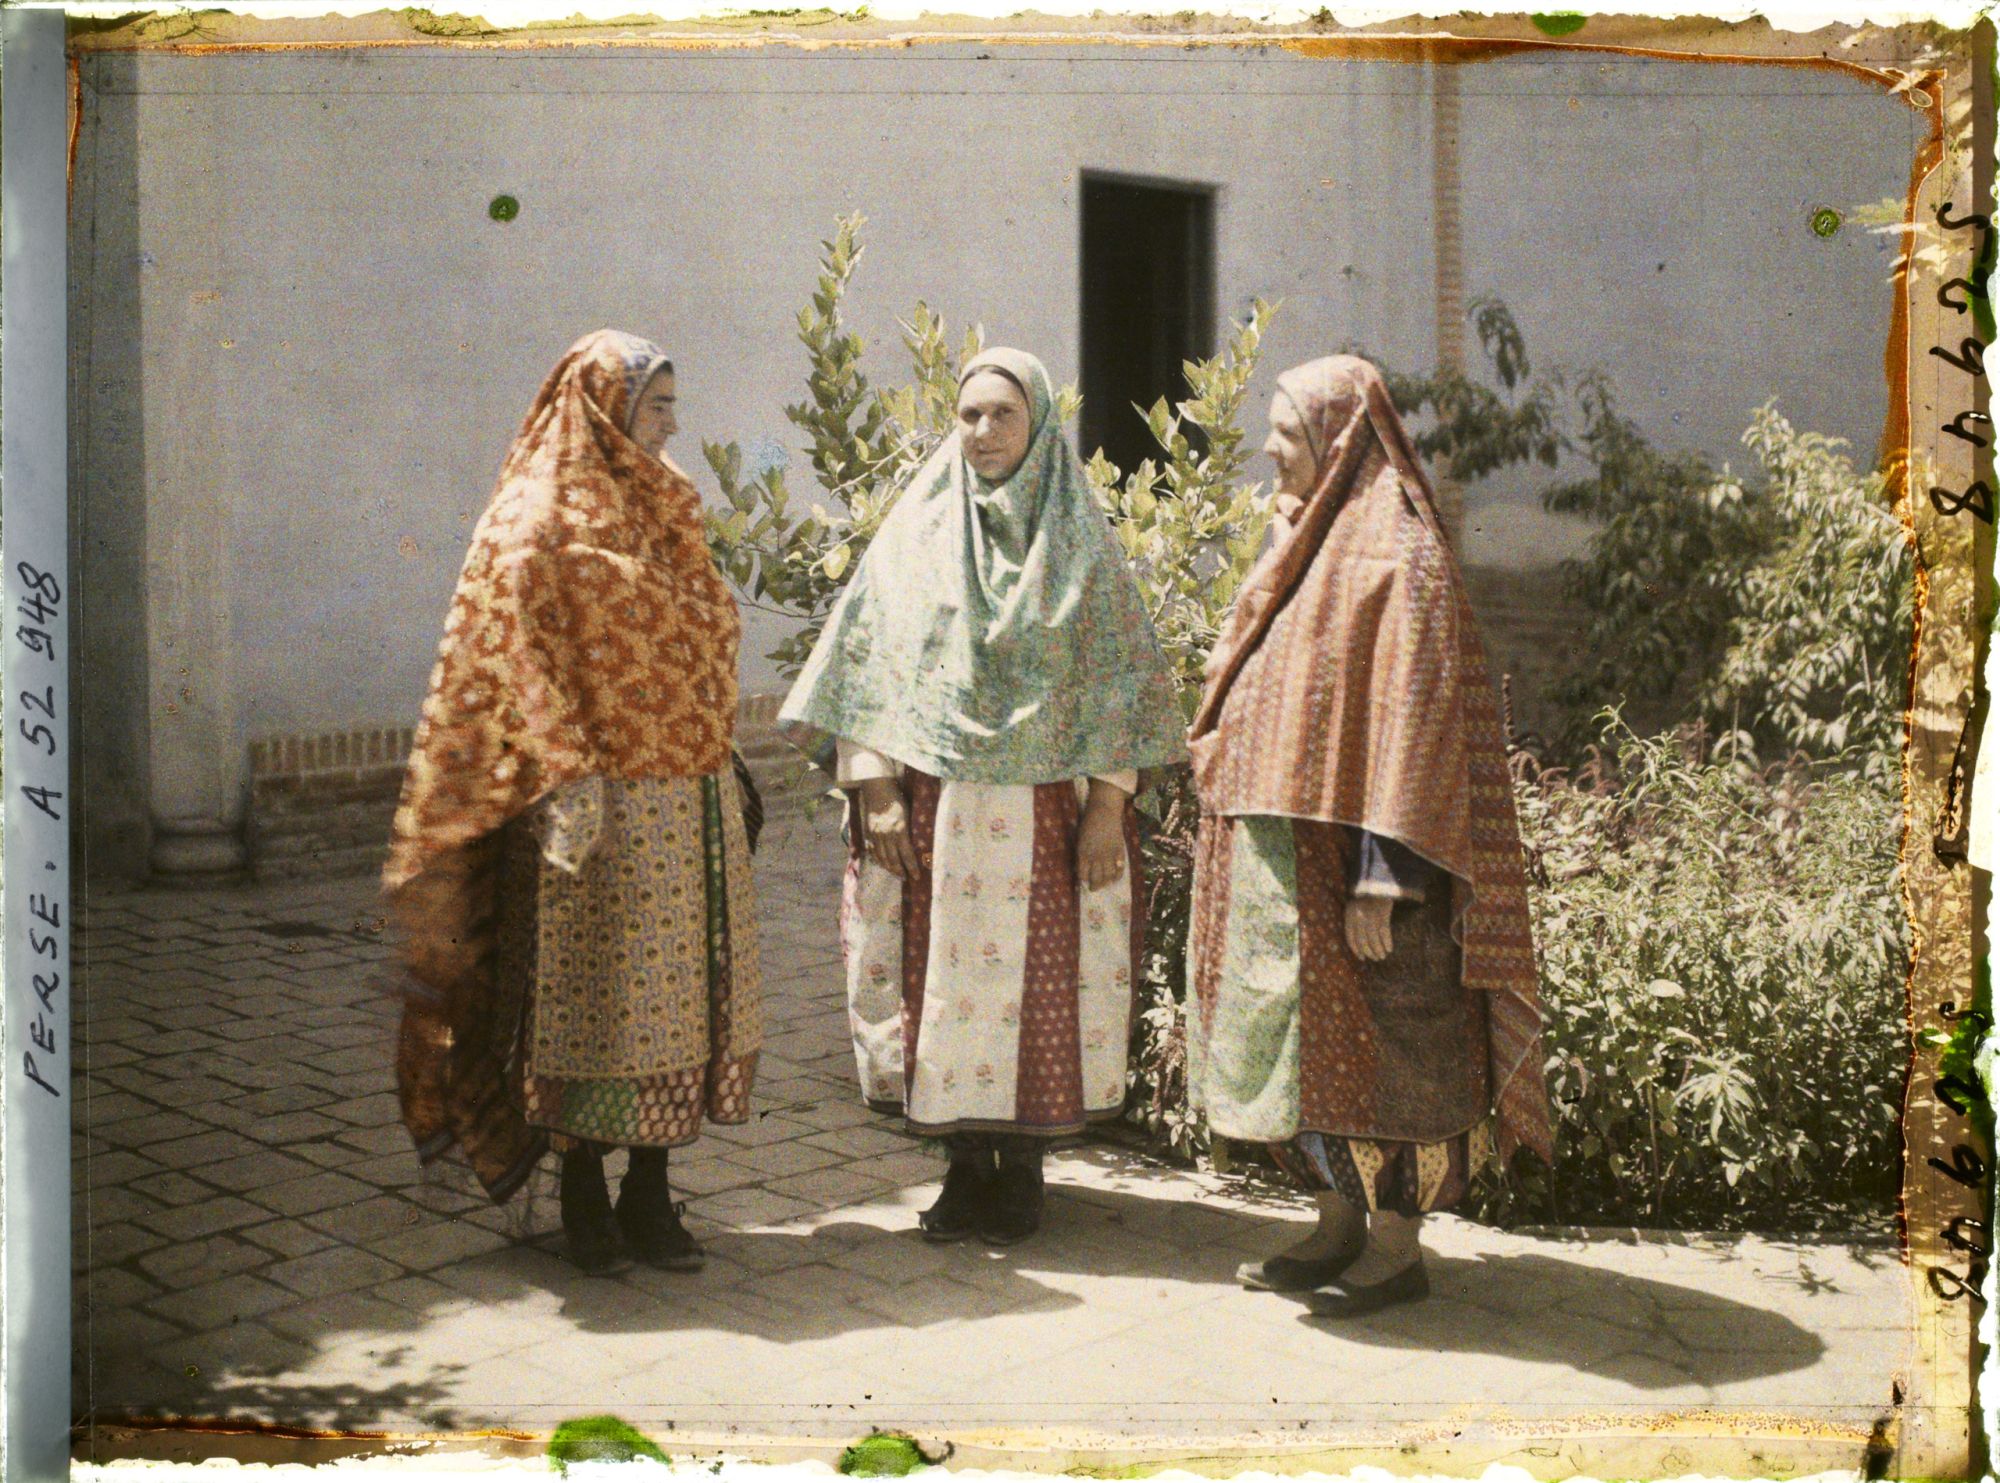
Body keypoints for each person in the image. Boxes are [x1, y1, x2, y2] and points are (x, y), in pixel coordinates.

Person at [780, 348, 1187, 1245]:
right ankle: (965, 1168)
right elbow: (864, 660)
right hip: (939, 813)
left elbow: (1122, 680)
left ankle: (1025, 1169)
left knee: (1038, 988)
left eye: (1004, 414)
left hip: (1046, 821)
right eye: (969, 414)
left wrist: (1108, 806)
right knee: (943, 983)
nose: (984, 431)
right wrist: (876, 787)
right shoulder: (916, 535)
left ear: (1038, 425)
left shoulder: (1080, 543)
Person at [383, 329, 762, 1278]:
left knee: (681, 1003)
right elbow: (507, 654)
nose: (671, 425)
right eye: (656, 406)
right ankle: (585, 1189)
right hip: (594, 804)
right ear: (604, 406)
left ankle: (651, 1188)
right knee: (598, 1005)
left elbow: (703, 629)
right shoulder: (533, 515)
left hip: (690, 792)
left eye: (672, 406)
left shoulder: (667, 499)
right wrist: (566, 776)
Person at [1184, 354, 1553, 1318]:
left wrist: (1383, 876)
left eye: (1289, 434)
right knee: (1315, 1059)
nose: (1270, 449)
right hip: (1299, 866)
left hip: (1373, 869)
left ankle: (1396, 1248)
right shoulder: (1311, 538)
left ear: (1341, 439)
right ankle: (1334, 1225)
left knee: (1396, 1058)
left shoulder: (1399, 555)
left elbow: (1418, 723)